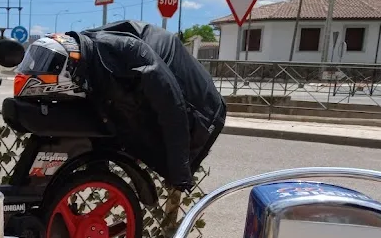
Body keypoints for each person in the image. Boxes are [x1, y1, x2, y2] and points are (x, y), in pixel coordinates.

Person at [13, 21, 226, 190]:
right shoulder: (88, 58)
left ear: (69, 68)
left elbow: (173, 107)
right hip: (163, 99)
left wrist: (181, 173)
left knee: (158, 144)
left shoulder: (128, 52)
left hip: (201, 113)